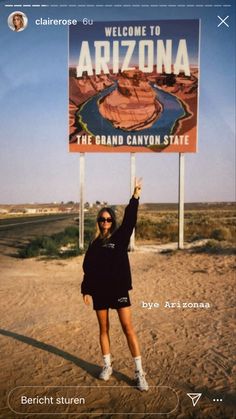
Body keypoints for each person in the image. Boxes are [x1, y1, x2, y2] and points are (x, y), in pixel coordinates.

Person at [81, 179, 149, 391]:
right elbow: (88, 268)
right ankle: (107, 366)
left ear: (113, 221)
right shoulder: (94, 244)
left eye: (109, 219)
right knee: (104, 328)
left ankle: (139, 373)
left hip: (118, 289)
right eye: (102, 220)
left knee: (128, 328)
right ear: (98, 222)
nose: (105, 222)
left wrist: (135, 196)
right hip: (100, 291)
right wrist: (85, 289)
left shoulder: (120, 237)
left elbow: (130, 219)